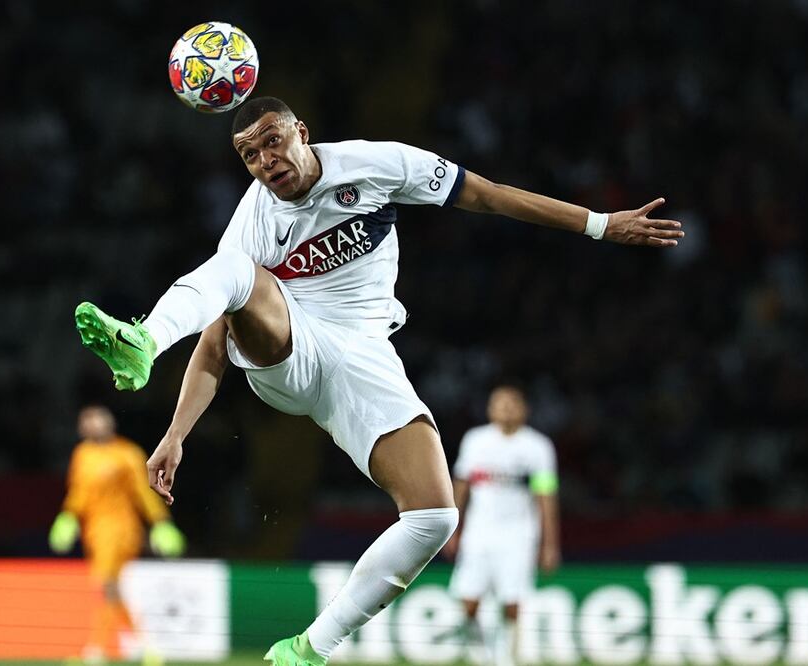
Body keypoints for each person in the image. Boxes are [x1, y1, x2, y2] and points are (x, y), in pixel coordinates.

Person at [72, 96, 682, 666]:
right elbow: (215, 339)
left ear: (301, 132)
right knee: (232, 268)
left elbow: (489, 195)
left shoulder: (378, 164)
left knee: (435, 518)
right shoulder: (252, 219)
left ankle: (310, 647)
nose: (265, 162)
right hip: (292, 347)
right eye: (249, 155)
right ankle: (143, 342)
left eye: (273, 142)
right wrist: (177, 432)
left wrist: (601, 225)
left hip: (363, 357)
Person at [49, 405, 186, 665]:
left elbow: (143, 493)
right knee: (112, 591)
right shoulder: (82, 455)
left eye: (97, 419)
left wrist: (160, 522)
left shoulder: (127, 453)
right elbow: (78, 492)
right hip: (95, 534)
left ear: (110, 424)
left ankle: (96, 652)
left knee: (109, 588)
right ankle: (146, 648)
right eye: (87, 420)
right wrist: (67, 517)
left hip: (121, 531)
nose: (92, 425)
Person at [442, 385, 560, 666]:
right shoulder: (475, 441)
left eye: (512, 403)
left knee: (513, 602)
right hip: (479, 533)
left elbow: (546, 497)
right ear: (490, 409)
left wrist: (550, 544)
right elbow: (461, 486)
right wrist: (452, 530)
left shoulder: (538, 447)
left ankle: (506, 660)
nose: (506, 408)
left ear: (524, 410)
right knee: (468, 602)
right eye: (499, 403)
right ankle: (483, 656)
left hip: (518, 535)